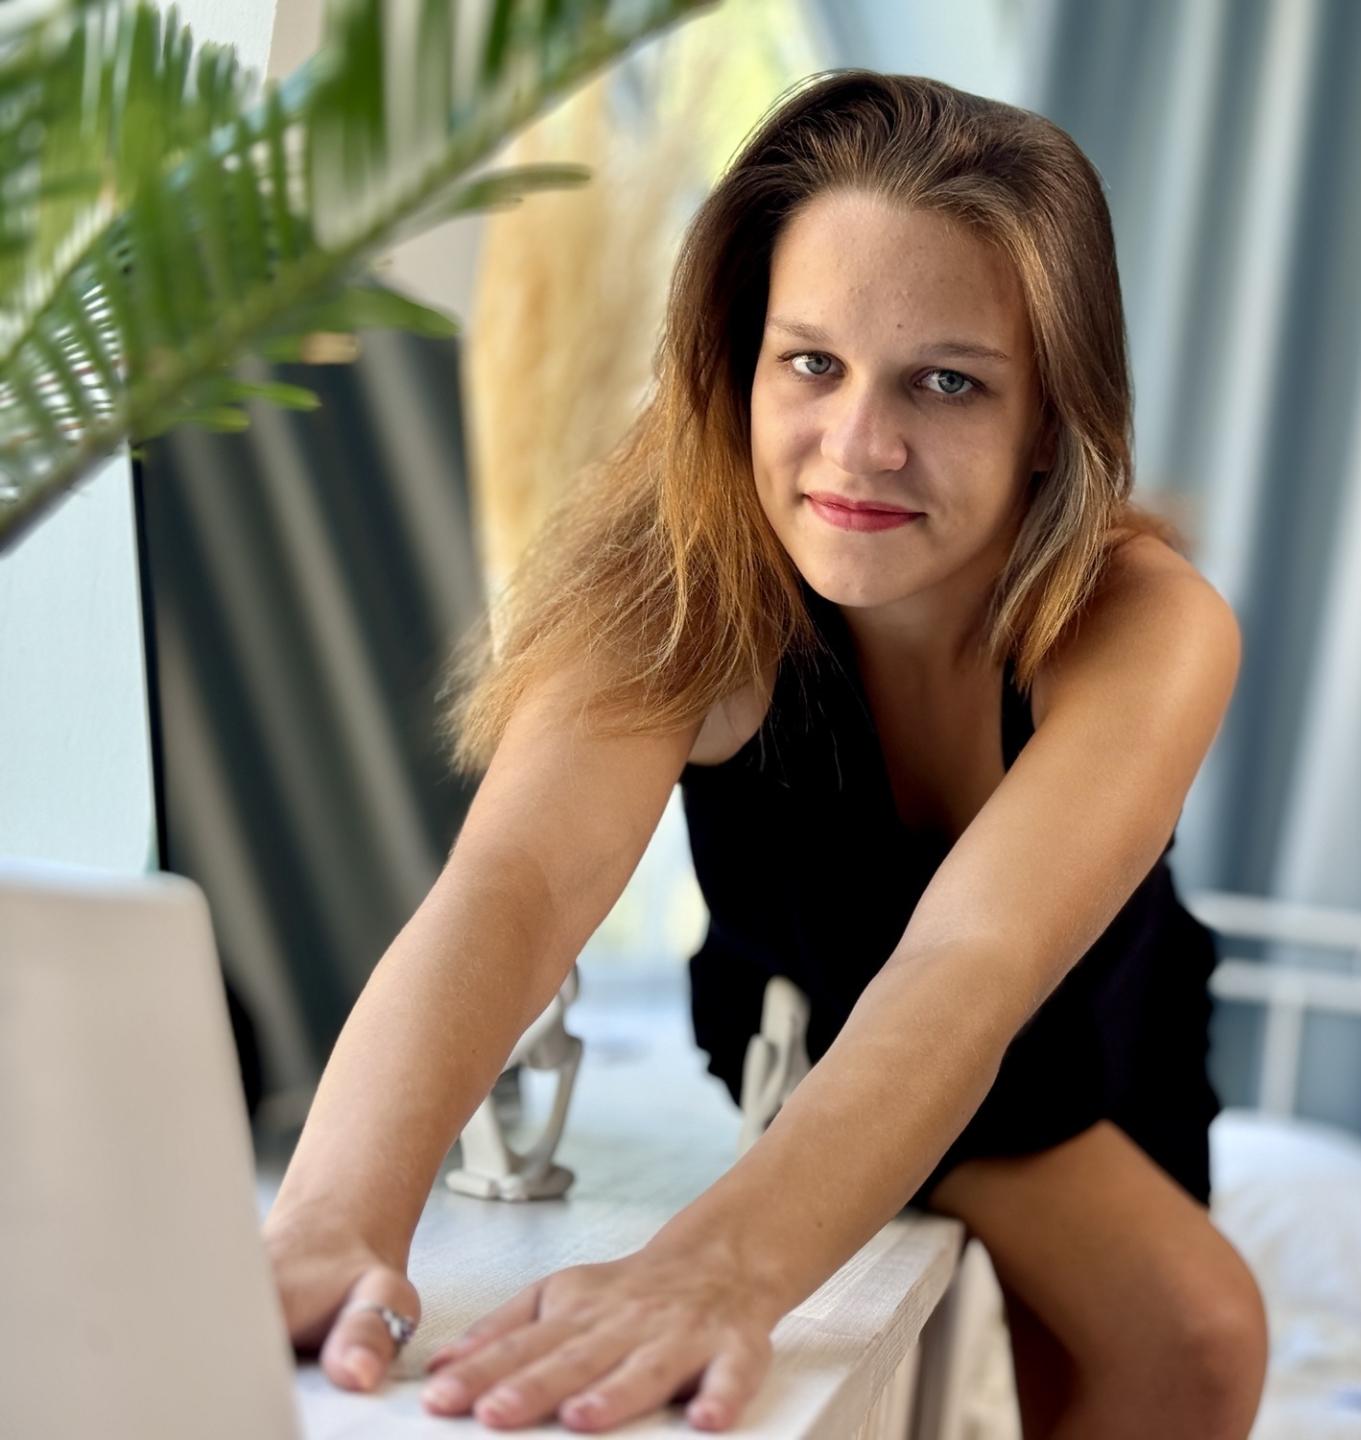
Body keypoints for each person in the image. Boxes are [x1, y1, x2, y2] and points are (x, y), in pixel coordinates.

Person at [261, 69, 1267, 1438]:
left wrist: (716, 1268)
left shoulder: (1150, 623)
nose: (860, 445)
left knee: (1136, 1364)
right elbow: (518, 886)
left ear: (1050, 418)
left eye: (949, 383)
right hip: (829, 1011)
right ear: (742, 356)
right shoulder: (676, 567)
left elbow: (980, 963)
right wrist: (330, 1218)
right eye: (812, 363)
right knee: (1199, 1332)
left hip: (1112, 1009)